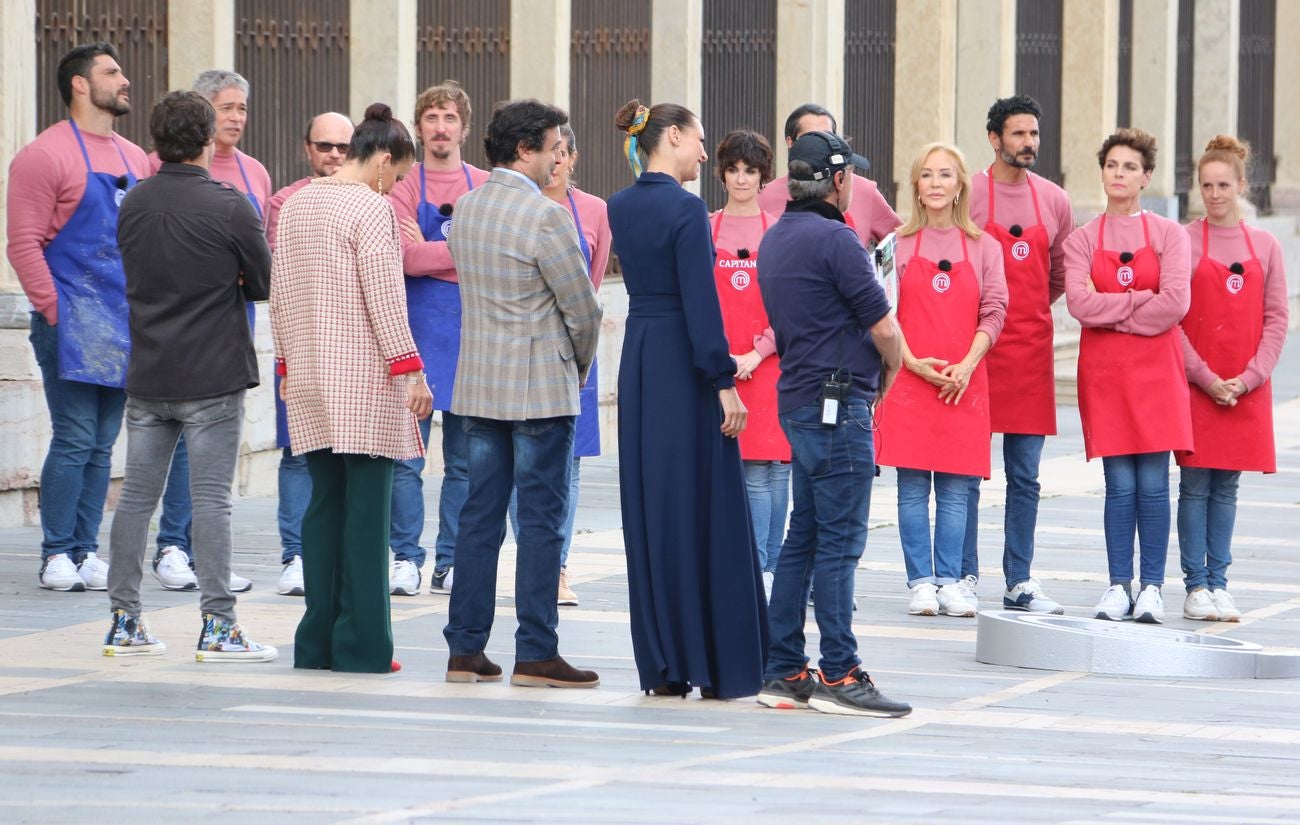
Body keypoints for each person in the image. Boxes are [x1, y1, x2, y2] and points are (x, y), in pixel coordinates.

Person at [106, 90, 275, 661]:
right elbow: (261, 283)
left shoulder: (132, 203)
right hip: (213, 373)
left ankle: (125, 620)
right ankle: (218, 625)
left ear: (156, 142)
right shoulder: (230, 205)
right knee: (211, 503)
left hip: (150, 370)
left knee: (135, 501)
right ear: (207, 141)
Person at [609, 98, 767, 699]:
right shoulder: (688, 209)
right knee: (705, 505)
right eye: (699, 141)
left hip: (643, 358)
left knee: (654, 505)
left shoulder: (620, 206)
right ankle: (714, 660)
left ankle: (665, 664)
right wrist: (723, 381)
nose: (706, 153)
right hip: (683, 360)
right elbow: (703, 305)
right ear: (671, 137)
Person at [442, 99, 602, 689]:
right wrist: (578, 368)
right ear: (525, 149)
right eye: (553, 146)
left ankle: (465, 649)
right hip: (538, 390)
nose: (559, 156)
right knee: (540, 521)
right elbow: (582, 308)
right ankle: (536, 649)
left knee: (479, 517)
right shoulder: (546, 216)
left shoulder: (468, 206)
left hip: (480, 385)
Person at [754, 130, 911, 717]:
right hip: (840, 404)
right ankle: (841, 673)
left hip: (797, 401)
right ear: (839, 180)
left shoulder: (777, 239)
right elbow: (884, 328)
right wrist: (890, 373)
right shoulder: (838, 240)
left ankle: (784, 667)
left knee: (804, 537)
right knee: (840, 545)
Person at [271, 103, 432, 673]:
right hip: (366, 379)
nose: (398, 186)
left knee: (324, 509)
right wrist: (410, 370)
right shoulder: (372, 208)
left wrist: (287, 364)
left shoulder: (296, 204)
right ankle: (364, 644)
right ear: (385, 161)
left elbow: (281, 292)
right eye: (401, 174)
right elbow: (385, 298)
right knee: (367, 517)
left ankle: (316, 640)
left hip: (310, 374)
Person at [5, 42, 149, 592]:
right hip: (70, 320)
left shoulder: (137, 159)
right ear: (81, 85)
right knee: (74, 435)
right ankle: (56, 552)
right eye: (113, 72)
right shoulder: (44, 155)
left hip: (122, 321)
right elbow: (23, 244)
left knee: (104, 441)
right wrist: (55, 311)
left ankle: (87, 549)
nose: (125, 80)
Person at [148, 69, 272, 595]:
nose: (236, 118)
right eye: (225, 107)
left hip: (233, 322)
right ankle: (171, 545)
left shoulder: (255, 174)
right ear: (200, 112)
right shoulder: (160, 171)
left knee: (217, 447)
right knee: (177, 441)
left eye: (242, 108)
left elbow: (258, 258)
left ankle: (208, 552)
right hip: (177, 325)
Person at [1064, 128, 1192, 624]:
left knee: (1155, 484)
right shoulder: (1081, 239)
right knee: (1118, 485)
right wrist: (1141, 301)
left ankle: (1153, 588)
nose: (1119, 174)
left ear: (1147, 177)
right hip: (1106, 375)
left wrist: (1114, 311)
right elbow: (1079, 304)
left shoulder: (1168, 235)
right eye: (1112, 165)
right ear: (1102, 172)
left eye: (1129, 167)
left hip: (1157, 374)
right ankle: (1118, 585)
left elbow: (1176, 304)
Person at [876, 143, 1008, 619]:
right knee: (912, 487)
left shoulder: (985, 247)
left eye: (945, 175)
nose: (935, 183)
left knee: (955, 488)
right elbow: (882, 312)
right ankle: (920, 582)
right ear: (915, 185)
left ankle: (951, 580)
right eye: (927, 174)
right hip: (910, 382)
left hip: (963, 383)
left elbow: (995, 311)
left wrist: (968, 364)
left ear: (960, 186)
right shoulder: (895, 245)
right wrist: (911, 362)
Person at [966, 96, 1074, 614]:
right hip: (975, 352)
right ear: (994, 139)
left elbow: (1059, 274)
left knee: (1025, 476)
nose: (1029, 143)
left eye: (1033, 134)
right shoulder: (968, 194)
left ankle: (1020, 579)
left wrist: (1019, 312)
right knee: (965, 468)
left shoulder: (1054, 200)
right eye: (1018, 134)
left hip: (1031, 350)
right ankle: (961, 573)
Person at [1176, 136, 1289, 622]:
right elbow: (1172, 319)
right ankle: (1194, 585)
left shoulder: (1264, 245)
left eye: (1224, 185)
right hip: (1196, 386)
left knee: (1227, 487)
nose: (1215, 194)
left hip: (1245, 389)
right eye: (1206, 185)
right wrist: (1203, 377)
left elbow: (1277, 318)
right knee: (1194, 485)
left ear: (1242, 185)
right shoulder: (1181, 240)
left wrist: (1249, 377)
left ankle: (1220, 581)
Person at [386, 81, 491, 597]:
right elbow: (402, 258)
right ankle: (406, 558)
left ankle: (451, 561)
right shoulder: (406, 184)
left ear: (463, 128)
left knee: (467, 463)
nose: (441, 127)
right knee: (408, 457)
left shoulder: (485, 183)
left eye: (450, 117)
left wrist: (431, 253)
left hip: (474, 337)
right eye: (432, 118)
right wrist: (462, 253)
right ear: (419, 126)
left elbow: (492, 256)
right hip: (419, 334)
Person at [506, 122, 612, 607]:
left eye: (566, 152)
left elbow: (590, 286)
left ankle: (559, 567)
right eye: (553, 150)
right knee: (518, 465)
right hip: (522, 350)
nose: (558, 160)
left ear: (573, 158)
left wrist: (581, 349)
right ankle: (533, 559)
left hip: (573, 353)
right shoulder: (518, 208)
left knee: (567, 467)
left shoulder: (594, 211)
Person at [264, 110, 355, 598]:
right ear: (307, 149)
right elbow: (287, 276)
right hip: (302, 346)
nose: (335, 155)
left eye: (343, 147)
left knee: (357, 455)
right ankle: (297, 555)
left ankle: (353, 551)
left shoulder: (368, 197)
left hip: (354, 348)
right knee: (298, 454)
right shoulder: (285, 202)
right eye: (325, 146)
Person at [709, 129, 787, 600]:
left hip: (772, 363)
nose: (741, 178)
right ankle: (757, 564)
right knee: (749, 469)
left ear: (764, 177)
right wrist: (724, 359)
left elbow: (790, 303)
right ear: (722, 174)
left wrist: (758, 352)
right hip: (723, 368)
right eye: (734, 169)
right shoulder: (706, 226)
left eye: (750, 170)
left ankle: (772, 565)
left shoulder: (778, 230)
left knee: (776, 466)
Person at [758, 103, 900, 249]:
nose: (821, 144)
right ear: (791, 143)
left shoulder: (865, 190)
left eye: (828, 136)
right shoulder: (765, 196)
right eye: (812, 137)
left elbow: (901, 243)